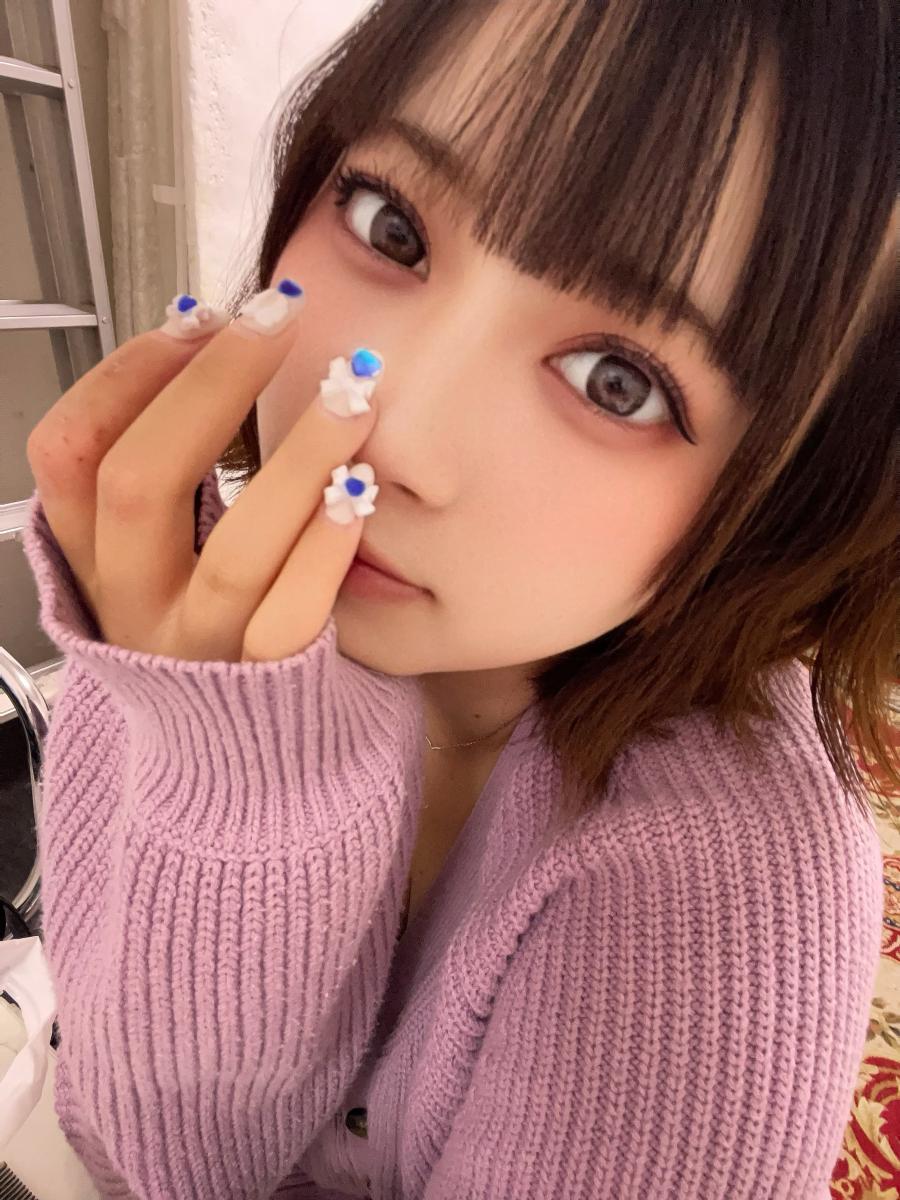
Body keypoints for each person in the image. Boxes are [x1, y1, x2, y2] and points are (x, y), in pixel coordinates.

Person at [20, 0, 897, 1196]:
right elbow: (130, 1148)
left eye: (618, 381)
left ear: (798, 508)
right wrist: (217, 747)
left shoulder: (728, 890)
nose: (394, 437)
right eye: (390, 223)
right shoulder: (186, 587)